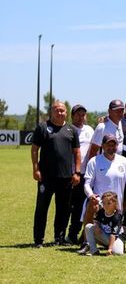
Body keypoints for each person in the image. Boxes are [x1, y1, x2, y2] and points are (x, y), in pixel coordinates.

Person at [31, 101, 81, 247]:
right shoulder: (43, 127)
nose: (60, 113)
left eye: (62, 111)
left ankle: (59, 238)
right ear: (51, 112)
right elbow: (34, 149)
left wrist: (77, 172)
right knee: (41, 208)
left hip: (66, 177)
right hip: (46, 177)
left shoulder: (71, 129)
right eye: (57, 110)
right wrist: (36, 169)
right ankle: (38, 239)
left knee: (63, 209)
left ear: (66, 113)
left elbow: (77, 152)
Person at [81, 134, 126, 240]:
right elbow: (87, 184)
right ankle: (86, 242)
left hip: (117, 206)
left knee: (117, 249)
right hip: (99, 203)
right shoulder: (94, 161)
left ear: (117, 146)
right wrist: (91, 195)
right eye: (108, 144)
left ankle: (111, 240)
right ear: (102, 145)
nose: (111, 147)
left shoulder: (124, 161)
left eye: (114, 144)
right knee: (91, 205)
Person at [66, 104, 94, 244]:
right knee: (67, 206)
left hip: (85, 174)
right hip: (70, 174)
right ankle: (60, 235)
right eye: (78, 114)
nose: (81, 117)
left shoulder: (90, 130)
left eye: (83, 114)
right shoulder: (68, 129)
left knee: (79, 207)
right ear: (72, 116)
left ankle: (73, 234)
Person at [81, 191, 123, 256]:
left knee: (118, 253)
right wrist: (96, 225)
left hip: (114, 239)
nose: (105, 206)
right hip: (103, 236)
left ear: (115, 203)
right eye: (104, 203)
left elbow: (113, 235)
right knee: (89, 226)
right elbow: (96, 220)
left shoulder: (117, 216)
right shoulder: (101, 212)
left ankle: (110, 247)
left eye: (109, 203)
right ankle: (93, 250)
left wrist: (110, 248)